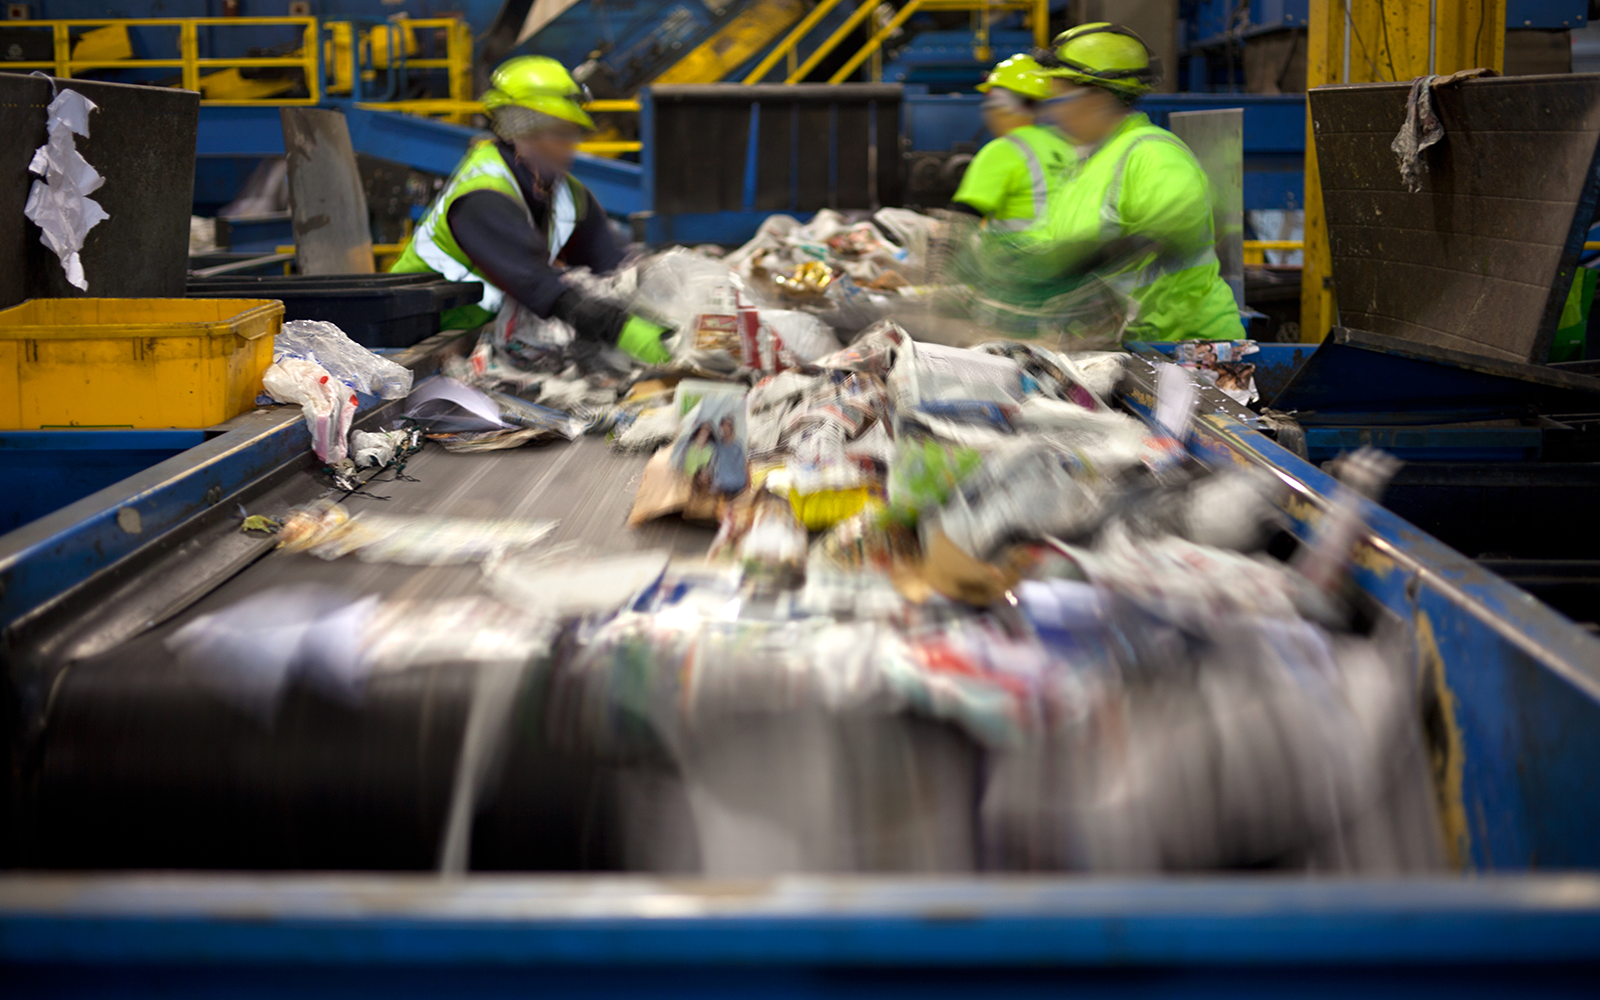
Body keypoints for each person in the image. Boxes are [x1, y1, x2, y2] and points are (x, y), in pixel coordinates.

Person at [391, 56, 671, 363]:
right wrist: (626, 332)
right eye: (561, 132)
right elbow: (543, 288)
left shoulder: (565, 193)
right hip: (415, 347)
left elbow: (613, 265)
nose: (572, 145)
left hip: (479, 345)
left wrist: (668, 301)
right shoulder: (483, 197)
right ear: (524, 133)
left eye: (573, 133)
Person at [1035, 23, 1243, 342]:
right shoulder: (1086, 163)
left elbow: (1177, 227)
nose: (1053, 111)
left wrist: (1095, 258)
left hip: (1189, 354)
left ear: (1096, 96)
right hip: (1128, 347)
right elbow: (1056, 243)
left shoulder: (1152, 153)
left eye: (1060, 97)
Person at [949, 54, 1074, 232]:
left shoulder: (1004, 150)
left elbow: (964, 220)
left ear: (1001, 107)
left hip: (1016, 255)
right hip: (1071, 254)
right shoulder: (1065, 146)